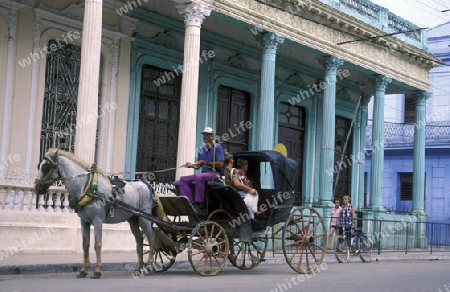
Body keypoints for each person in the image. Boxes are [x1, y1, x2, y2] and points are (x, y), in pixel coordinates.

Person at [179, 127, 224, 208]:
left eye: (207, 135)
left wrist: (206, 162)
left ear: (212, 137)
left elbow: (221, 164)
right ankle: (189, 202)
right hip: (204, 174)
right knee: (183, 179)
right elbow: (198, 166)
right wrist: (191, 165)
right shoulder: (201, 150)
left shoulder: (217, 147)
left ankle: (199, 203)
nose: (205, 136)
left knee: (199, 177)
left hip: (214, 174)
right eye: (204, 134)